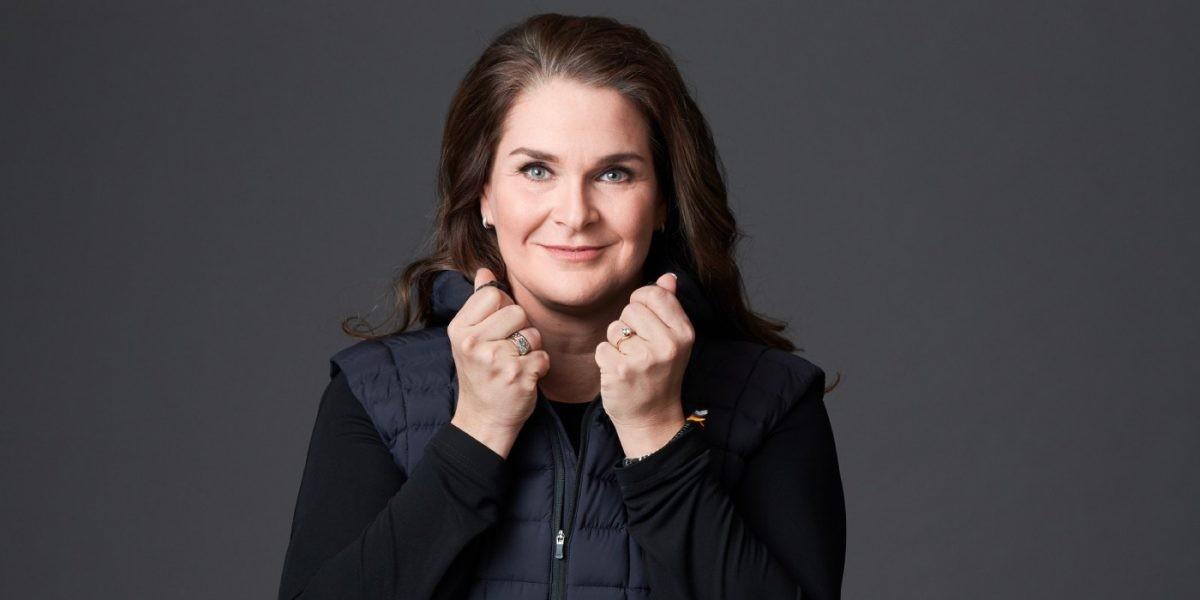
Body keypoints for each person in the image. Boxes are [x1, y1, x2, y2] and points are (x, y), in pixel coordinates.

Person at [277, 12, 845, 600]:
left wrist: (656, 435)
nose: (575, 214)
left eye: (615, 173)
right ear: (484, 194)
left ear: (663, 202)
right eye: (536, 170)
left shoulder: (771, 399)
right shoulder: (375, 392)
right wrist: (477, 432)